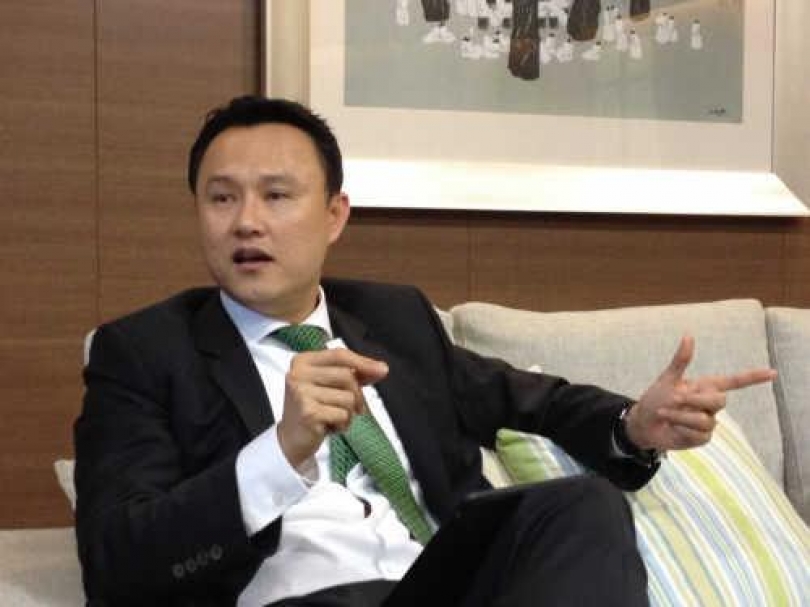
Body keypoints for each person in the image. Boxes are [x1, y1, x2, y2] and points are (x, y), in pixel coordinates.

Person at [74, 95, 775, 607]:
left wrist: (632, 426)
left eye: (277, 195)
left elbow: (530, 400)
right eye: (222, 198)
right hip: (303, 598)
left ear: (335, 215)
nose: (247, 222)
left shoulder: (393, 318)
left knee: (582, 505)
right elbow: (116, 563)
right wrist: (280, 452)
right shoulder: (142, 353)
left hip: (440, 585)